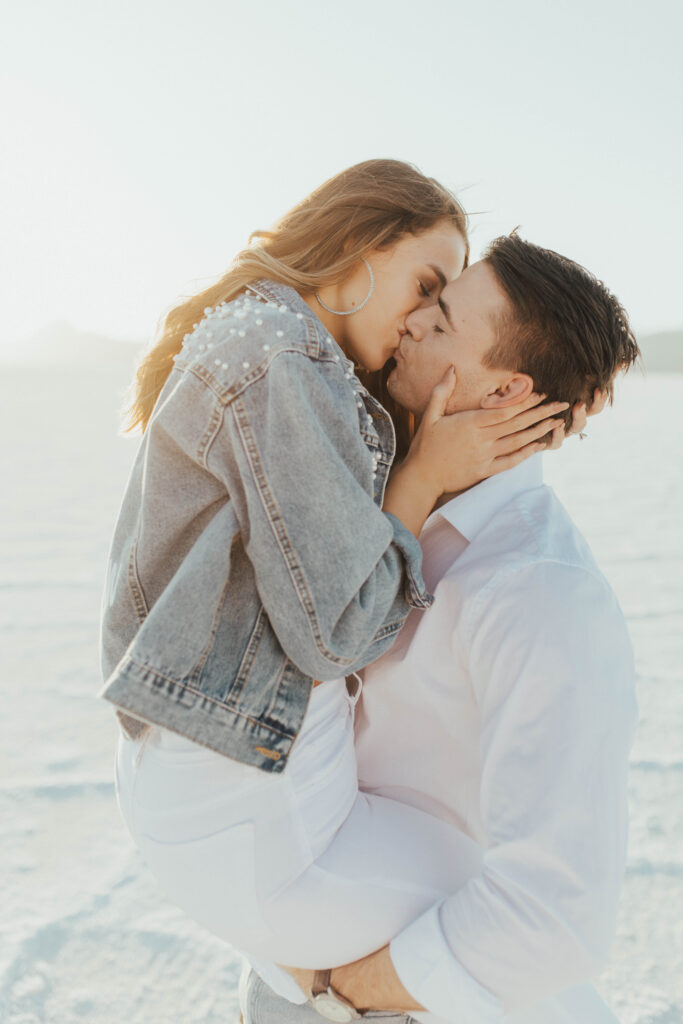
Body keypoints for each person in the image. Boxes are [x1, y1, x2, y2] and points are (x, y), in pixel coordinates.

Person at [102, 161, 584, 1011]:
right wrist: (422, 477)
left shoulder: (282, 348)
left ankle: (309, 986)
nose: (419, 321)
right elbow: (336, 633)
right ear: (361, 247)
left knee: (496, 933)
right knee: (508, 937)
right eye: (424, 286)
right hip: (243, 800)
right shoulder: (280, 356)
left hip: (205, 777)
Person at [240, 235, 640, 1024]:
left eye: (443, 318)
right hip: (282, 973)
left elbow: (554, 913)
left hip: (397, 999)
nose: (413, 320)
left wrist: (340, 990)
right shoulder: (371, 490)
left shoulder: (539, 591)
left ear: (506, 390)